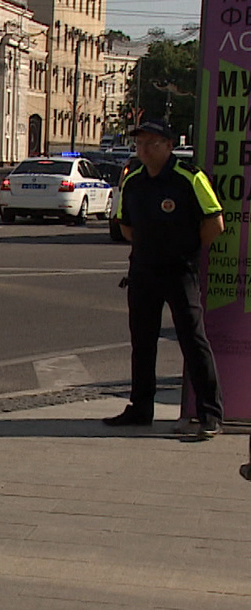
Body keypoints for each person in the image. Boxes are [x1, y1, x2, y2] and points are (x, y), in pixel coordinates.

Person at [104, 119, 225, 438]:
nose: (144, 149)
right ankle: (140, 409)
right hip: (143, 271)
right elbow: (125, 225)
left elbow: (215, 221)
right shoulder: (134, 181)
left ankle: (210, 413)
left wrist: (185, 251)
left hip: (180, 271)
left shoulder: (189, 176)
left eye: (152, 143)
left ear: (170, 146)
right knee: (142, 343)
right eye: (140, 144)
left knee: (193, 340)